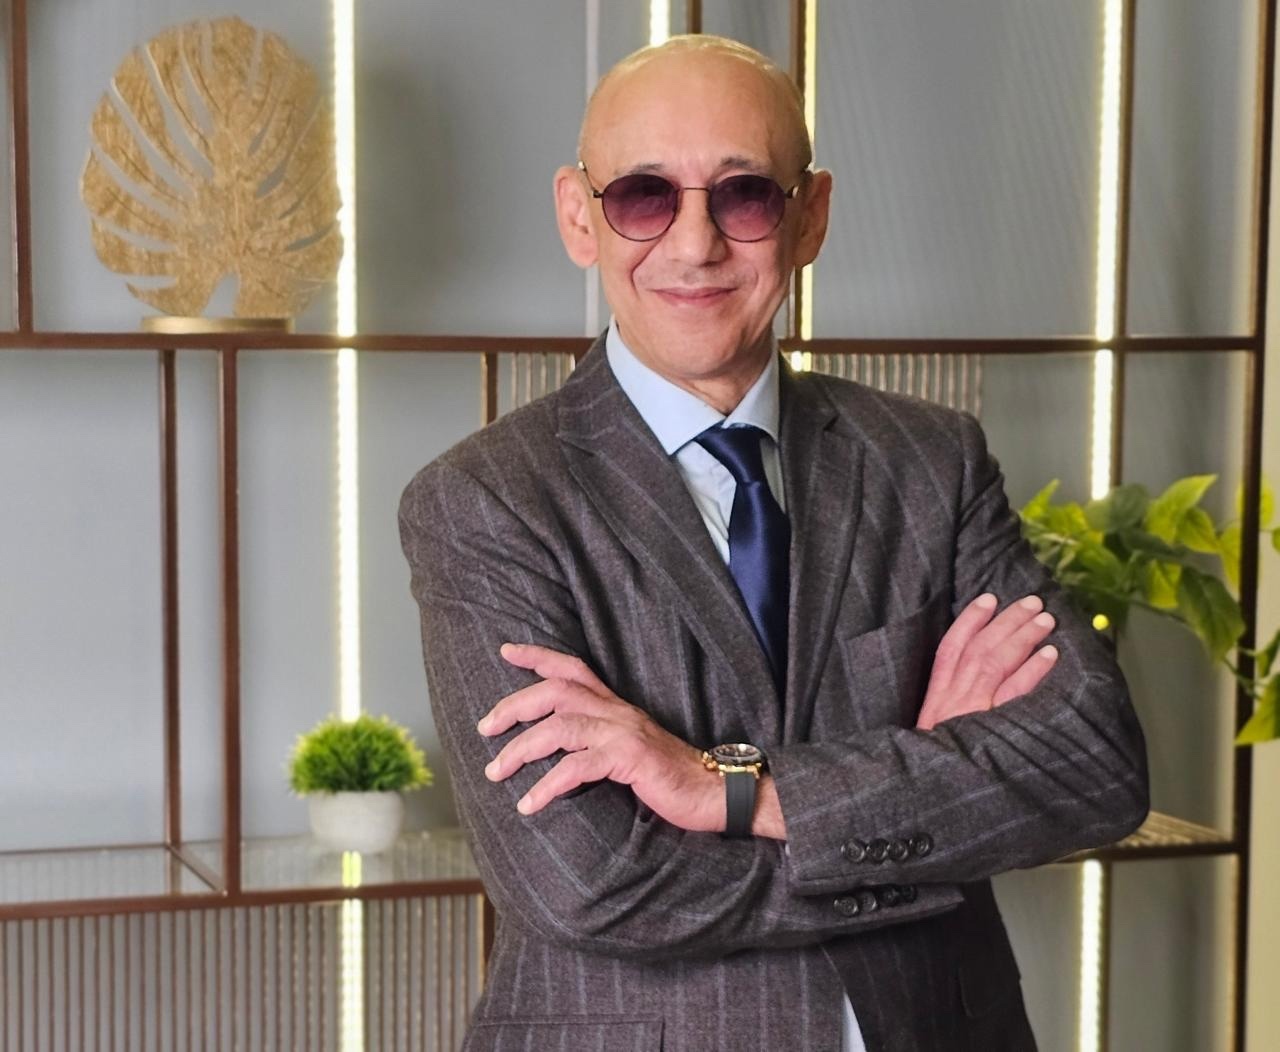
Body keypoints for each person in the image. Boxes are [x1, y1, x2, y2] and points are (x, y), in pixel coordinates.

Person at [399, 34, 1148, 1052]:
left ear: (810, 215)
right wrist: (921, 799)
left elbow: (1094, 764)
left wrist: (725, 787)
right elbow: (590, 881)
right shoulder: (485, 500)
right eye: (643, 196)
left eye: (744, 194)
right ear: (579, 216)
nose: (695, 244)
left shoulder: (932, 460)